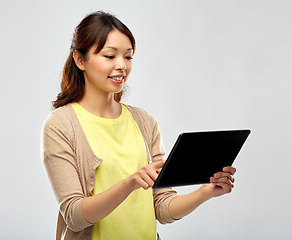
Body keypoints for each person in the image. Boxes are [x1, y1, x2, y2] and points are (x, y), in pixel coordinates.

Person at [41, 11, 236, 240]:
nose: (122, 65)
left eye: (128, 57)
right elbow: (74, 215)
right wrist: (130, 183)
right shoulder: (61, 125)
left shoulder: (145, 122)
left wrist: (205, 192)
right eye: (109, 56)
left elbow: (162, 208)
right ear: (80, 59)